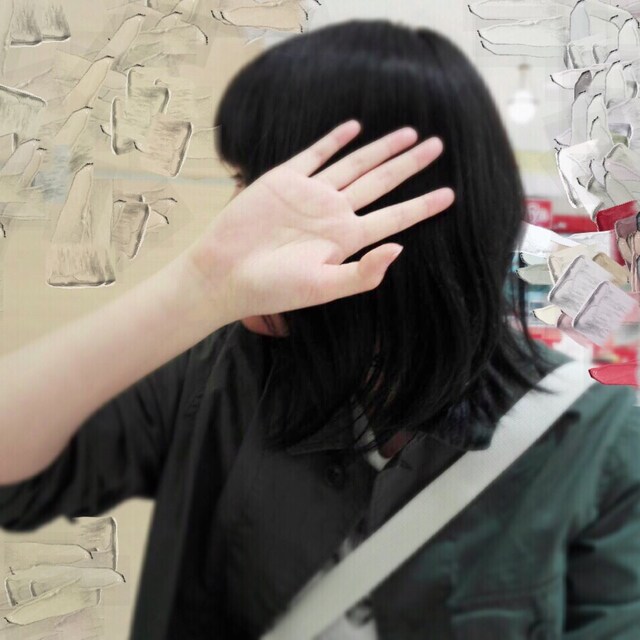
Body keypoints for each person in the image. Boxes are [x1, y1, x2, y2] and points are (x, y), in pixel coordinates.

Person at [0, 18, 639, 640]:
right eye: (244, 190)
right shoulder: (222, 372)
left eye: (260, 192)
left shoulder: (597, 448)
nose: (236, 227)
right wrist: (195, 288)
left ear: (394, 221)